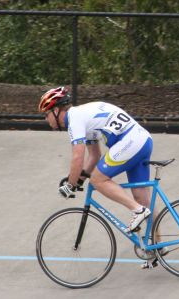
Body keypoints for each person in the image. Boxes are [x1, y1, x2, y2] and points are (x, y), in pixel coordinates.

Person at [39, 86, 153, 233]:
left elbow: (78, 157)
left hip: (130, 142)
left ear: (55, 111)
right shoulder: (82, 115)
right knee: (142, 200)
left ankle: (137, 210)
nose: (45, 119)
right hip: (142, 140)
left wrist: (70, 185)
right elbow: (94, 155)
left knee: (98, 180)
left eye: (46, 114)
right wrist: (80, 178)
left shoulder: (74, 120)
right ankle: (158, 245)